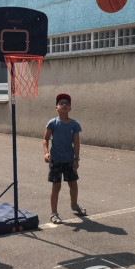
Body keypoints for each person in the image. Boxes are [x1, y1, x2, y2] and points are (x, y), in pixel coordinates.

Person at [43, 93, 87, 224]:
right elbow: (45, 139)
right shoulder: (52, 123)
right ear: (56, 107)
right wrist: (46, 153)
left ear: (70, 108)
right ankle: (54, 213)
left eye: (67, 103)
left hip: (69, 161)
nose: (64, 105)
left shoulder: (74, 124)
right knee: (56, 187)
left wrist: (76, 159)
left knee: (73, 184)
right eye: (61, 103)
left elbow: (77, 143)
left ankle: (74, 205)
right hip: (55, 161)